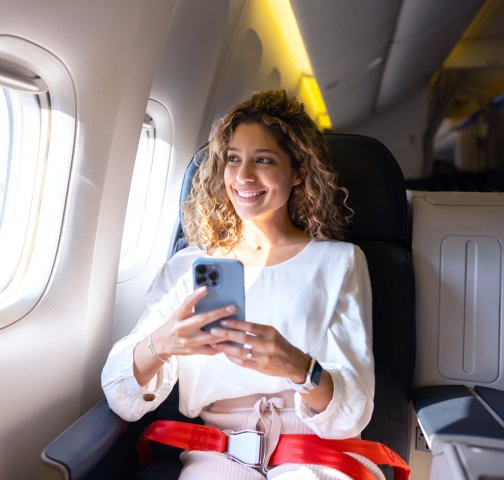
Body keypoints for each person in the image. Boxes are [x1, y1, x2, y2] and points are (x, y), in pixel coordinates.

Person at [101, 89, 382, 479]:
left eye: (263, 160)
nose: (244, 176)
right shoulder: (190, 266)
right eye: (234, 159)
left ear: (298, 171)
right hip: (218, 451)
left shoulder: (339, 262)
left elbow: (351, 415)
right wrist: (162, 343)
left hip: (314, 449)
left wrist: (298, 367)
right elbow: (122, 397)